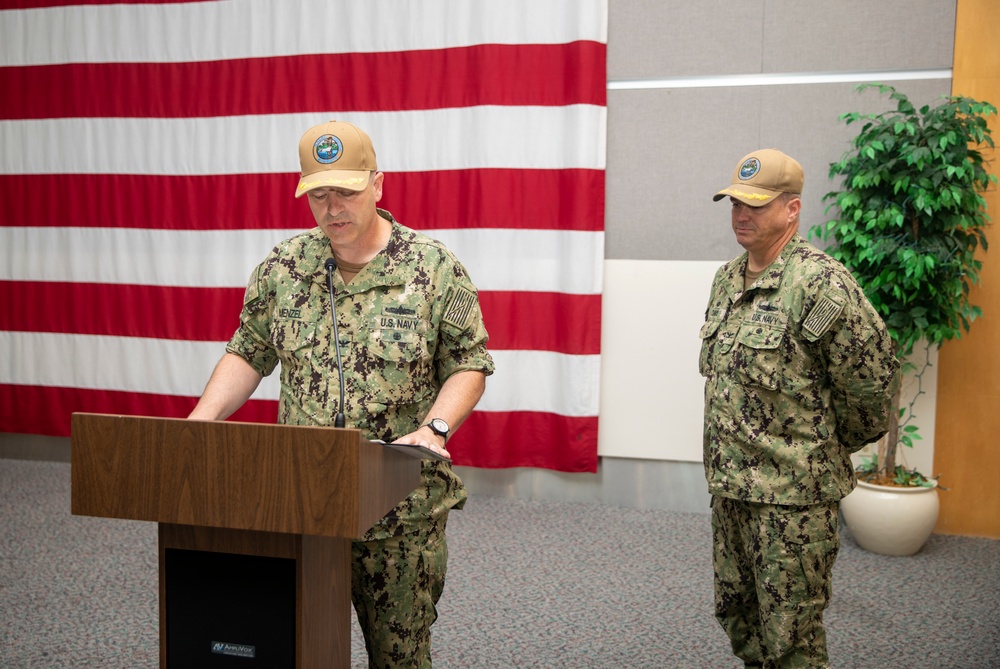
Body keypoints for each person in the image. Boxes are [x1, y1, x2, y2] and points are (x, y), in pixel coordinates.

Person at [188, 119, 495, 668]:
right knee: (297, 649)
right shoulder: (283, 268)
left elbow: (469, 363)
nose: (334, 209)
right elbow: (248, 351)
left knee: (399, 656)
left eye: (347, 192)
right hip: (303, 503)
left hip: (400, 507)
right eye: (320, 195)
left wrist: (436, 428)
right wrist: (202, 419)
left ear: (378, 183)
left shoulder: (433, 269)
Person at [698, 149, 900, 668]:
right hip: (732, 493)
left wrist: (815, 453)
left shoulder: (820, 284)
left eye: (757, 205)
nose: (742, 214)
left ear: (792, 209)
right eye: (735, 203)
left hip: (792, 503)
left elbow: (872, 390)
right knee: (739, 617)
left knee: (792, 639)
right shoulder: (727, 279)